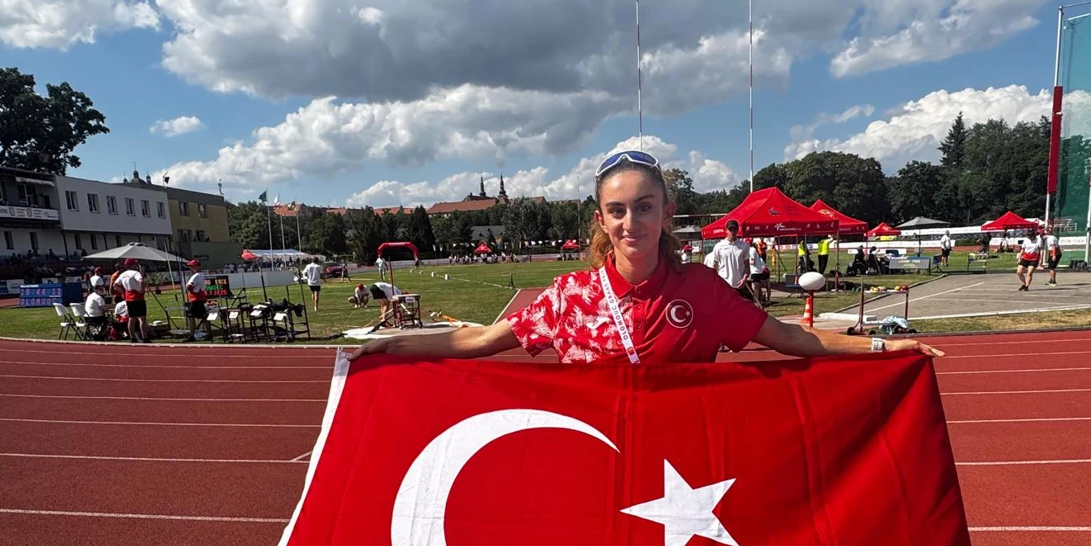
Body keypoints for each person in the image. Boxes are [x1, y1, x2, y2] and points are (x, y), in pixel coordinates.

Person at [349, 150, 942, 364]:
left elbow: (793, 339)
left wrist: (883, 346)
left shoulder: (703, 291)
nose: (632, 222)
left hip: (683, 484)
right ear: (602, 220)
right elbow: (475, 343)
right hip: (594, 471)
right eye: (618, 210)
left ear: (666, 212)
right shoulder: (568, 299)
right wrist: (389, 346)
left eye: (645, 206)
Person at [708, 219, 754, 301]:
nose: (732, 232)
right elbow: (714, 266)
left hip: (739, 284)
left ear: (737, 230)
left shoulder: (743, 246)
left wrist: (744, 278)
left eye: (734, 229)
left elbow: (747, 266)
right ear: (726, 230)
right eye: (730, 229)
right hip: (724, 284)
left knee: (738, 310)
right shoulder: (719, 246)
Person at [115, 259, 148, 342]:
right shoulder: (136, 273)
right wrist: (142, 289)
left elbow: (115, 285)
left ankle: (132, 337)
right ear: (132, 265)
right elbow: (140, 280)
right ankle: (144, 337)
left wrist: (123, 292)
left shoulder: (123, 274)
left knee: (131, 318)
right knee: (142, 318)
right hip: (138, 296)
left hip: (129, 297)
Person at [184, 259, 208, 339]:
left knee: (191, 316)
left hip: (195, 299)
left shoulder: (196, 276)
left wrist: (187, 285)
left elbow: (188, 287)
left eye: (192, 267)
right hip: (199, 298)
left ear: (197, 267)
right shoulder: (201, 275)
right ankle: (209, 333)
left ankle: (191, 335)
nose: (191, 268)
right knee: (203, 316)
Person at [748, 240, 769, 307]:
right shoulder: (754, 250)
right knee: (758, 287)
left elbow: (752, 262)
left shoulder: (751, 250)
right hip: (758, 271)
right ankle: (760, 300)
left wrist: (744, 262)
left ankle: (756, 302)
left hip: (755, 271)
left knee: (755, 287)